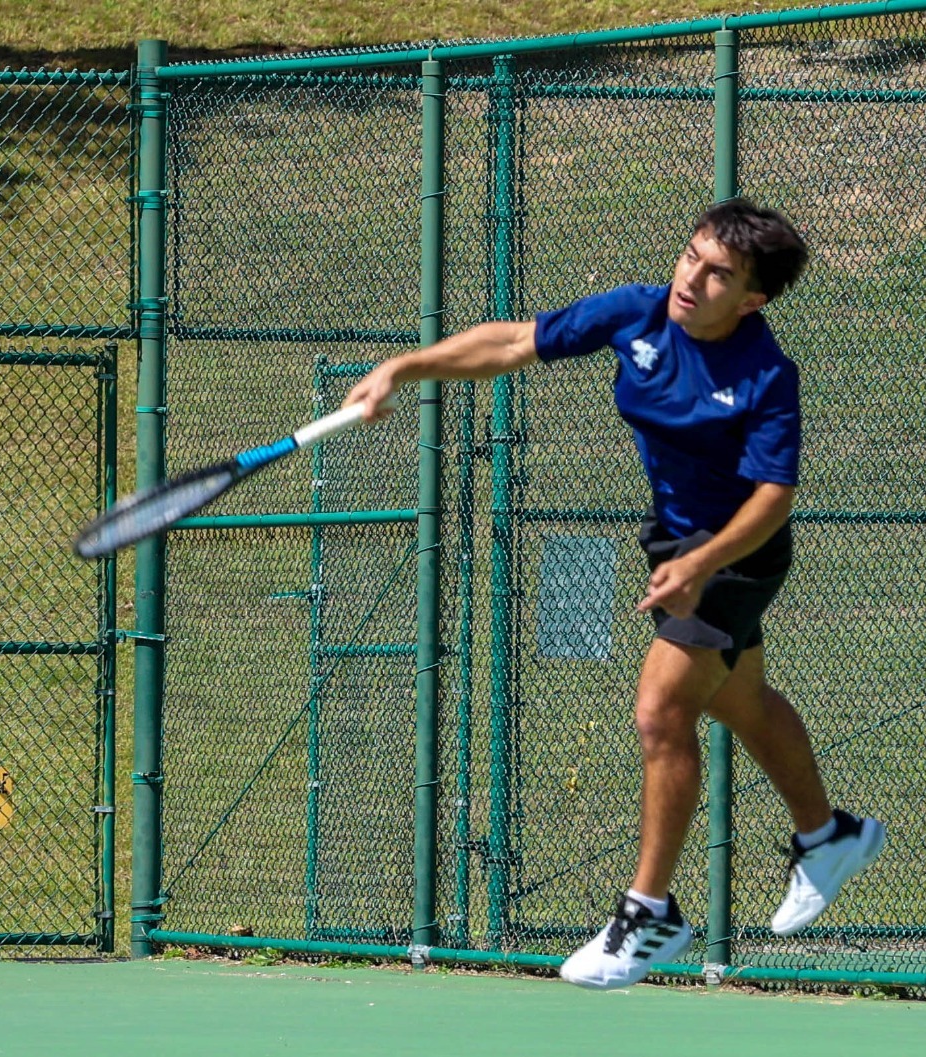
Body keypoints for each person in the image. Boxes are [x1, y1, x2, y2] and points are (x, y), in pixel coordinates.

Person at [341, 198, 884, 990]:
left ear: (753, 300)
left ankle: (648, 911)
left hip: (737, 553)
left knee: (662, 711)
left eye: (719, 273)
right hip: (674, 545)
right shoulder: (638, 314)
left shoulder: (766, 374)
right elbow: (515, 342)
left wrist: (704, 564)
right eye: (691, 256)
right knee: (740, 701)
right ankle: (830, 834)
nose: (692, 278)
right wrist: (406, 367)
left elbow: (774, 496)